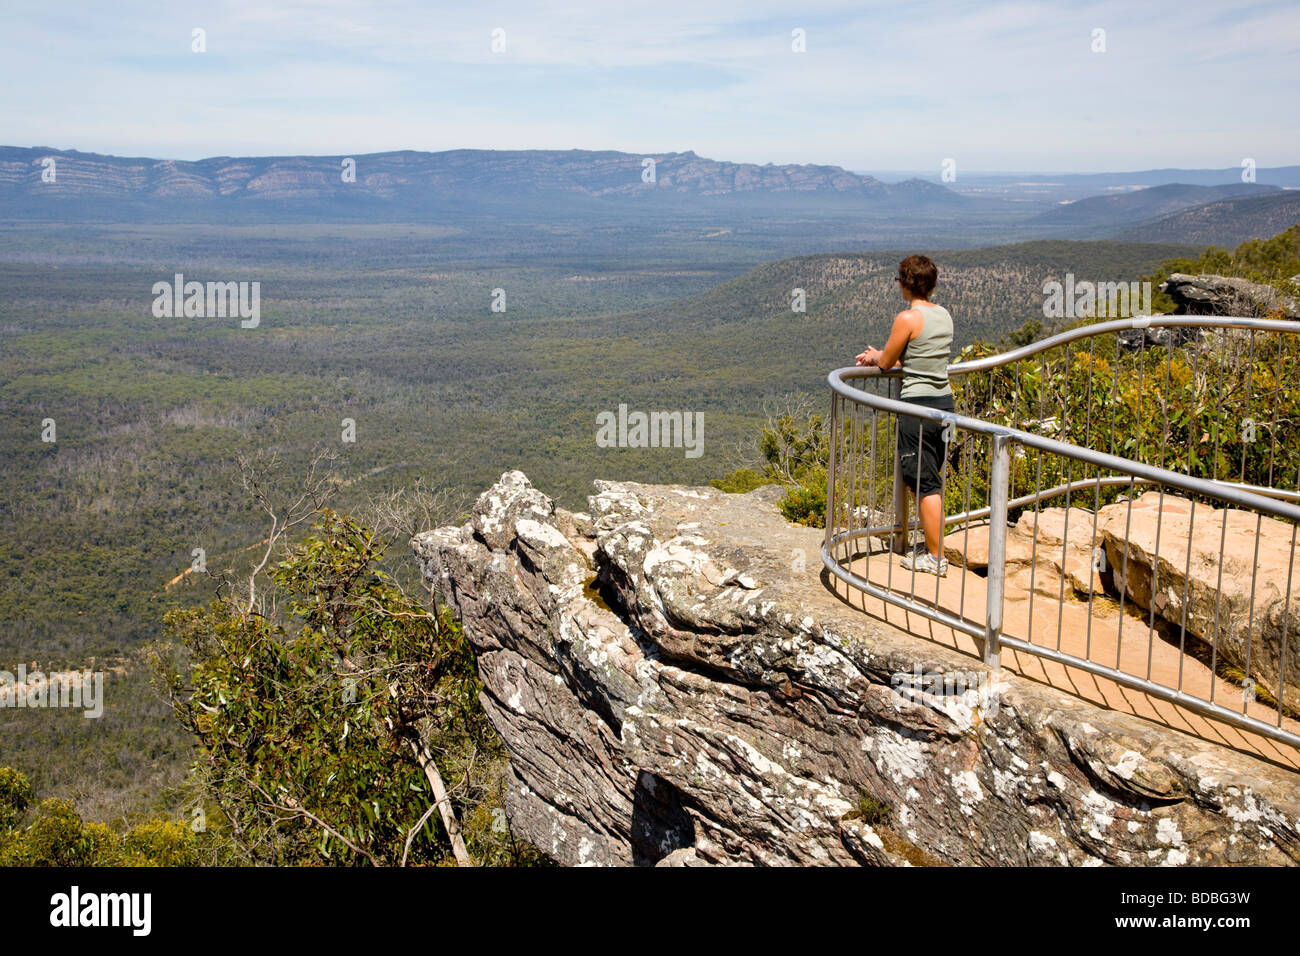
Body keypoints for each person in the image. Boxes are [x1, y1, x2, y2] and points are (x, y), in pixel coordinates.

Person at [855, 254, 954, 576]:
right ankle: (933, 550)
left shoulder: (907, 318)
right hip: (944, 405)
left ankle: (936, 558)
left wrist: (874, 357)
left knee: (924, 483)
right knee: (931, 479)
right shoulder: (944, 315)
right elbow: (920, 361)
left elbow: (886, 363)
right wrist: (887, 359)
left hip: (916, 408)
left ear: (906, 283)